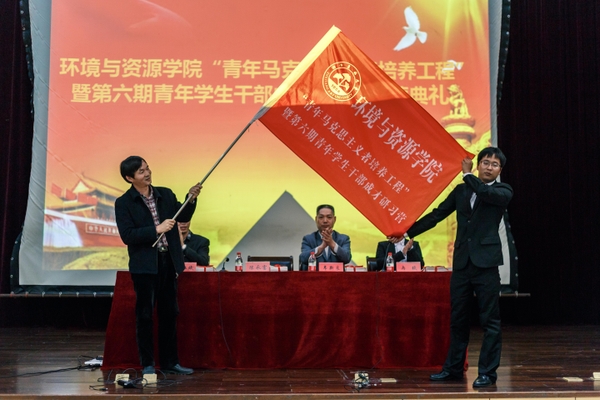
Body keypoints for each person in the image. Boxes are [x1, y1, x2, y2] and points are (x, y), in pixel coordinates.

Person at [403, 147, 513, 388]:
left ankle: (487, 373)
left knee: (490, 321)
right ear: (479, 164)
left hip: (486, 264)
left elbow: (484, 192)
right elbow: (437, 215)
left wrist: (467, 175)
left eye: (494, 164)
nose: (488, 167)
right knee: (458, 319)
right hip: (462, 264)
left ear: (499, 171)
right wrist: (407, 232)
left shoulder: (503, 191)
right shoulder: (461, 191)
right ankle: (453, 369)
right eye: (485, 162)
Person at [114, 155, 202, 376]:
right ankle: (148, 364)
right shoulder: (124, 203)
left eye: (147, 168)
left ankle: (171, 362)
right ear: (129, 178)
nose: (147, 173)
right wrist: (156, 229)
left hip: (168, 262)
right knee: (145, 315)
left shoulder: (165, 194)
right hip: (144, 266)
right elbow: (127, 235)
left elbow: (183, 215)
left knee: (169, 313)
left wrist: (191, 199)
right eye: (141, 171)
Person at [299, 204, 352, 271]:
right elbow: (303, 258)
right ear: (316, 219)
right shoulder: (308, 239)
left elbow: (347, 258)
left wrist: (332, 243)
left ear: (334, 219)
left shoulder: (343, 239)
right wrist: (321, 247)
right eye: (321, 217)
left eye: (329, 217)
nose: (325, 221)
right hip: (314, 277)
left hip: (337, 277)